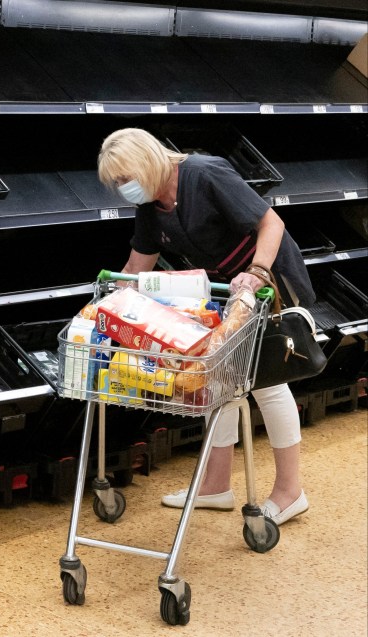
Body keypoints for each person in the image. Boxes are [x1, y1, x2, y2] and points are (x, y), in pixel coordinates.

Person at [96, 127, 315, 526]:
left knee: (266, 384)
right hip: (224, 290)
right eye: (117, 183)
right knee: (217, 380)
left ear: (147, 162)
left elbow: (272, 224)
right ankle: (216, 485)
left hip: (267, 280)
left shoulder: (205, 174)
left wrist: (257, 273)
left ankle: (290, 491)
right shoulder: (149, 203)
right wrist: (101, 304)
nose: (124, 188)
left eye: (126, 178)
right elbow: (136, 267)